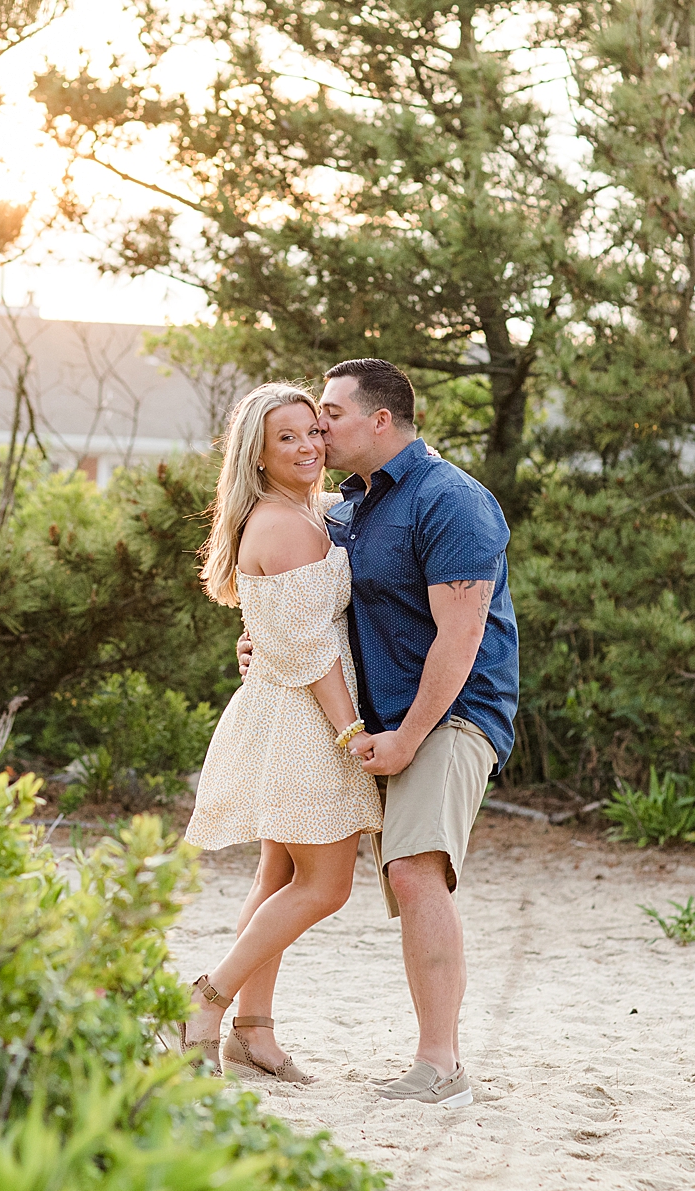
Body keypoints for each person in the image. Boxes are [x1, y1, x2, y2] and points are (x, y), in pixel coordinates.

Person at [240, 359, 519, 1109]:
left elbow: (459, 641)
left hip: (450, 713)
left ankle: (441, 1065)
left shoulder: (453, 501)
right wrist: (259, 639)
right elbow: (301, 603)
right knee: (283, 864)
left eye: (330, 411)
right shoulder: (344, 510)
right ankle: (248, 1025)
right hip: (367, 718)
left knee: (413, 870)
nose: (319, 425)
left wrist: (406, 737)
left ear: (381, 421)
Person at [178, 381, 382, 1085]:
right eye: (286, 439)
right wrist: (351, 731)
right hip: (306, 720)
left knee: (277, 877)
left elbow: (277, 618)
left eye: (312, 432)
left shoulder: (313, 509)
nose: (306, 447)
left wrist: (251, 634)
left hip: (287, 707)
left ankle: (253, 1034)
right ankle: (206, 1000)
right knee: (324, 886)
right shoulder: (286, 522)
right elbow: (311, 650)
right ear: (258, 456)